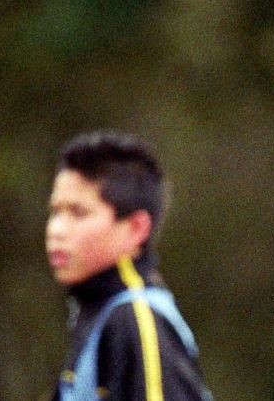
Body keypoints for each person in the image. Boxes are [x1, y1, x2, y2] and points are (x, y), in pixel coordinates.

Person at [45, 130, 212, 401]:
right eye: (55, 212)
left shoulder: (136, 317)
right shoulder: (96, 311)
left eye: (78, 213)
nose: (56, 230)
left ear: (136, 228)